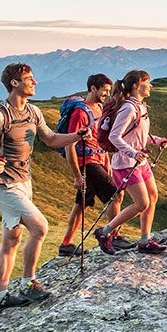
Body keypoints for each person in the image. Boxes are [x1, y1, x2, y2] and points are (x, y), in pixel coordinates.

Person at [0, 63, 90, 310]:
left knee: (11, 238)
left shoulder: (33, 112)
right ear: (14, 83)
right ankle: (28, 283)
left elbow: (51, 139)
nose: (34, 82)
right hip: (3, 185)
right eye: (29, 79)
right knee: (40, 227)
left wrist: (77, 136)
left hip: (24, 181)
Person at [94, 70, 167, 254]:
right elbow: (114, 136)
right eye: (147, 82)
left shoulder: (141, 106)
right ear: (136, 85)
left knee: (153, 196)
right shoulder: (129, 108)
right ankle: (105, 232)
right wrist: (133, 152)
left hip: (138, 161)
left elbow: (138, 134)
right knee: (141, 203)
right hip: (125, 163)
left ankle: (145, 241)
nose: (150, 86)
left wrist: (158, 140)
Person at [55, 73, 121, 256]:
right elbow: (70, 146)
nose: (106, 94)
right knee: (116, 195)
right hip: (87, 162)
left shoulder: (99, 109)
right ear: (93, 88)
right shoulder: (80, 113)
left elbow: (101, 140)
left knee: (81, 204)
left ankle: (66, 244)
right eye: (104, 91)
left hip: (99, 159)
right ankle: (112, 236)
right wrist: (77, 176)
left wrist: (107, 163)